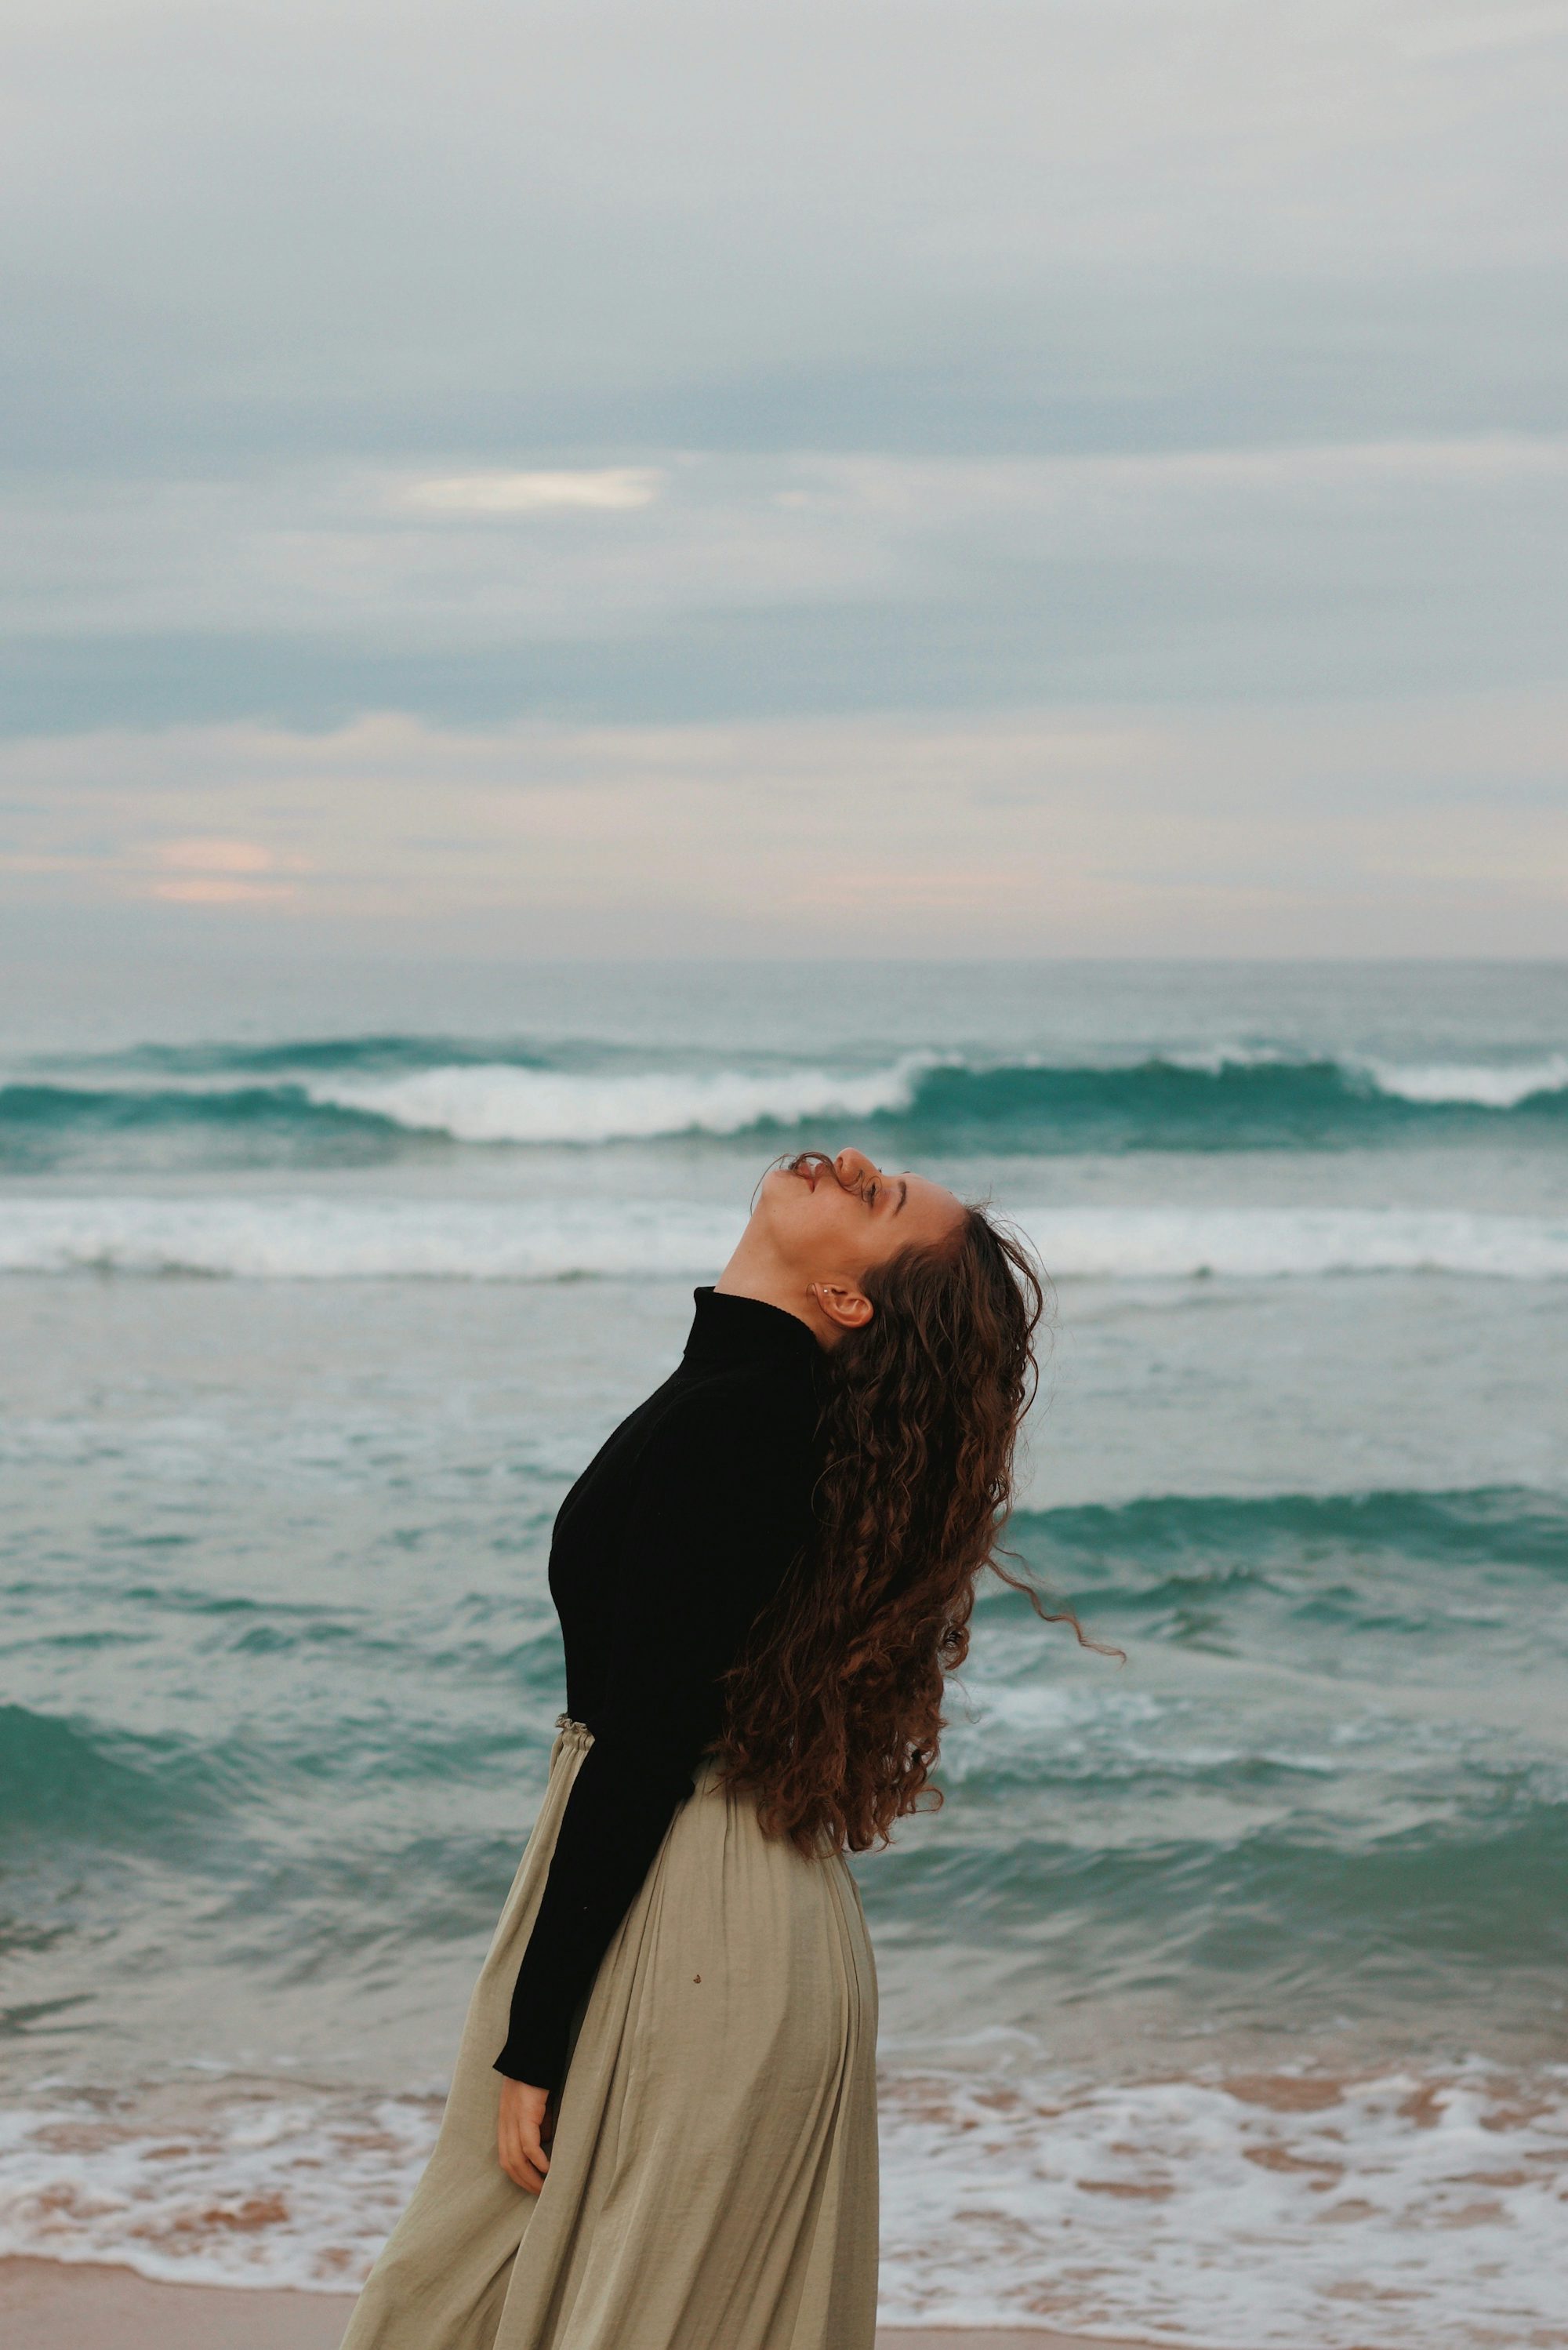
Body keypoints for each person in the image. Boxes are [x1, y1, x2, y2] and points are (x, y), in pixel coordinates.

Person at [339, 1144, 1062, 2350]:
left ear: (847, 1300)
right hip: (716, 1918)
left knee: (448, 2307)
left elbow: (644, 1744)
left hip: (691, 1929)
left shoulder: (741, 1423)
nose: (857, 1161)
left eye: (877, 1198)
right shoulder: (750, 1406)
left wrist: (539, 2028)